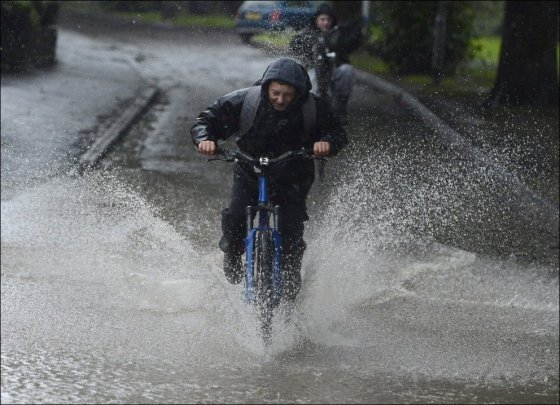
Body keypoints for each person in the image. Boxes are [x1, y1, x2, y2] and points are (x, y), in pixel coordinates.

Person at [191, 57, 347, 302]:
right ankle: (232, 251)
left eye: (287, 95)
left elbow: (337, 130)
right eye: (276, 93)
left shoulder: (313, 107)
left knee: (291, 228)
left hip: (294, 172)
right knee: (235, 215)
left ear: (299, 93)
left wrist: (327, 143)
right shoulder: (246, 100)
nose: (281, 100)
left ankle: (291, 273)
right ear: (266, 88)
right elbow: (206, 120)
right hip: (249, 168)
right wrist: (205, 139)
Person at [289, 3, 362, 124]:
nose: (326, 22)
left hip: (334, 70)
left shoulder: (338, 33)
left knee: (347, 71)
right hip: (314, 71)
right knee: (312, 81)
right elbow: (294, 46)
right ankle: (311, 111)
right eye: (322, 19)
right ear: (316, 20)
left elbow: (352, 43)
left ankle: (340, 107)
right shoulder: (308, 33)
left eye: (328, 19)